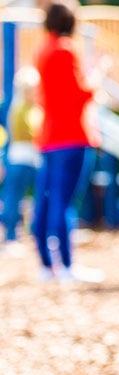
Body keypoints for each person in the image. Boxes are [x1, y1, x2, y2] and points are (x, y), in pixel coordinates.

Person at [32, 0, 107, 283]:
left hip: (49, 137)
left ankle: (45, 266)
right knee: (64, 203)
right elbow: (81, 94)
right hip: (72, 136)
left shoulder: (43, 50)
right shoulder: (66, 49)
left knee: (46, 200)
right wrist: (99, 74)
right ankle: (66, 266)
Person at [2, 66, 42, 245]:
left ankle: (31, 231)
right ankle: (11, 235)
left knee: (31, 198)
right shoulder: (20, 110)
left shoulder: (29, 108)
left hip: (31, 159)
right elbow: (30, 132)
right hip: (20, 159)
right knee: (14, 198)